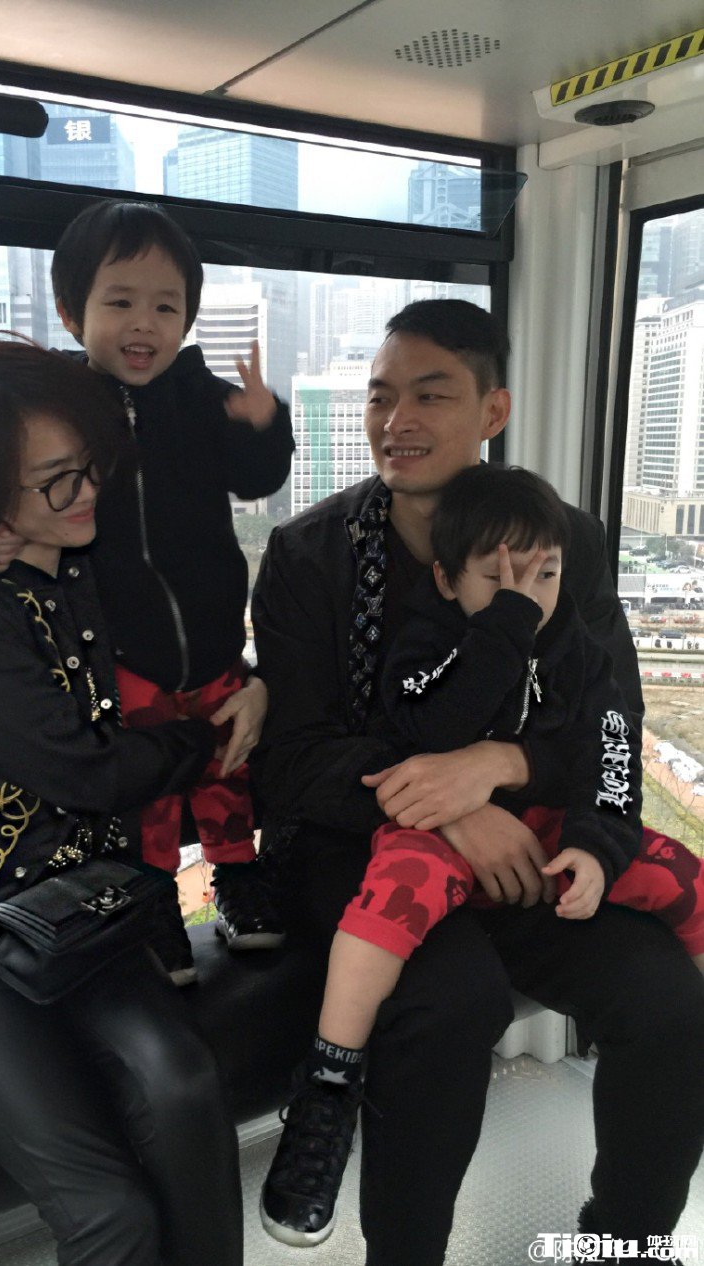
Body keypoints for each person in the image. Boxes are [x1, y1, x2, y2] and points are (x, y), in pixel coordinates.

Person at [251, 299, 704, 1264]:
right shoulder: (309, 556)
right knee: (449, 1001)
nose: (396, 420)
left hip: (536, 840)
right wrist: (447, 809)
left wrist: (504, 768)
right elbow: (290, 765)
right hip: (360, 848)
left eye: (431, 395)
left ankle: (623, 1248)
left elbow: (610, 721)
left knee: (667, 998)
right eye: (380, 396)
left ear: (493, 410)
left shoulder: (562, 543)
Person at [0, 333, 246, 1266]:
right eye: (55, 481)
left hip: (71, 913)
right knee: (111, 1211)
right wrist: (212, 741)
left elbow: (190, 603)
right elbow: (86, 771)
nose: (86, 494)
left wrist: (251, 685)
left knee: (185, 1085)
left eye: (89, 467)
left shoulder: (75, 562)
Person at [49, 199, 293, 981]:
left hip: (215, 642)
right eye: (119, 302)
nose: (143, 324)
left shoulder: (202, 396)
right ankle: (153, 899)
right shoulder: (61, 410)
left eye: (165, 306)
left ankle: (237, 877)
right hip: (124, 649)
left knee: (228, 764)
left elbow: (257, 480)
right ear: (71, 312)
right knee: (148, 785)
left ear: (187, 317)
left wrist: (262, 423)